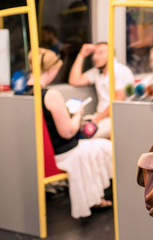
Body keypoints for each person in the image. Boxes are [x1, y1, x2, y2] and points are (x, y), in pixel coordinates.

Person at [26, 48, 113, 219]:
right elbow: (68, 131)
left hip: (43, 152)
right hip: (65, 152)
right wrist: (79, 112)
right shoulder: (51, 95)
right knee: (107, 147)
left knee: (97, 146)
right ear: (51, 70)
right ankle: (96, 197)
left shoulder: (22, 92)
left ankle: (95, 196)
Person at [68, 42, 134, 139]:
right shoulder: (97, 72)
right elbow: (74, 80)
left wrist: (96, 119)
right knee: (72, 130)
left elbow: (118, 101)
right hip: (100, 117)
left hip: (117, 118)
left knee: (85, 134)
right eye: (94, 53)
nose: (95, 57)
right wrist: (81, 55)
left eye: (100, 53)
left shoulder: (119, 70)